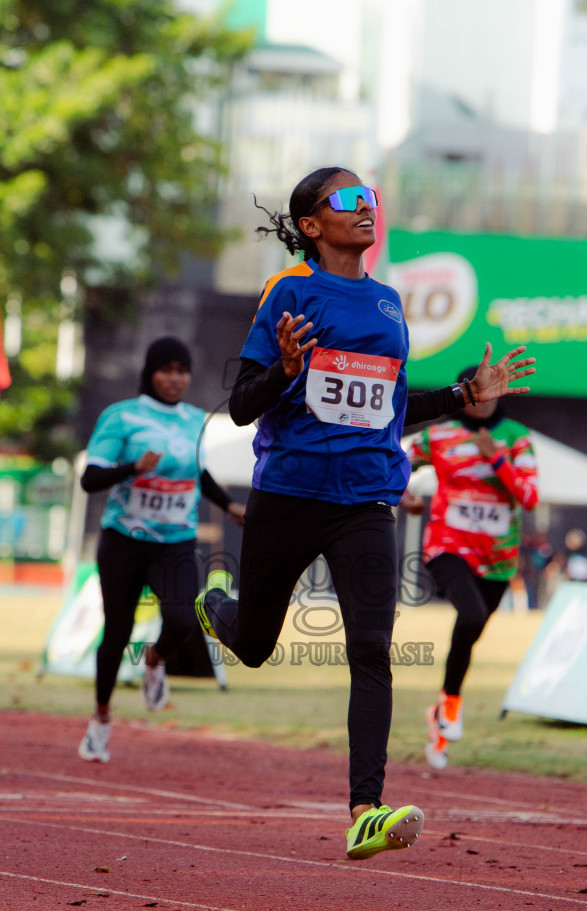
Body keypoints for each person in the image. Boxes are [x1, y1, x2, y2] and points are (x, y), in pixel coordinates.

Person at [194, 166, 534, 860]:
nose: (366, 207)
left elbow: (392, 407)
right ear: (311, 225)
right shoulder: (288, 291)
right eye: (348, 199)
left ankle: (365, 811)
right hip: (289, 493)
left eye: (369, 197)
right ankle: (218, 607)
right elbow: (243, 406)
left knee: (372, 649)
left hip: (367, 500)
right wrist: (285, 370)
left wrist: (465, 394)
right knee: (254, 647)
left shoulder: (387, 303)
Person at [76, 336, 244, 764]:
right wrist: (133, 467)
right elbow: (90, 479)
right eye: (166, 370)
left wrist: (230, 507)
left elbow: (200, 475)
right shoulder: (122, 417)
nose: (175, 378)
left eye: (182, 370)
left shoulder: (195, 420)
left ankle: (154, 660)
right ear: (150, 373)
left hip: (175, 541)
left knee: (183, 620)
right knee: (116, 633)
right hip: (124, 541)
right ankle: (100, 718)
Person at [400, 365, 539, 771]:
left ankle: (442, 712)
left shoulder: (516, 438)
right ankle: (451, 703)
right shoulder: (439, 435)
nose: (484, 397)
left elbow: (529, 497)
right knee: (472, 615)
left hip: (497, 560)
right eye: (477, 389)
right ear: (466, 392)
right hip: (447, 548)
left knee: (469, 635)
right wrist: (403, 494)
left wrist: (496, 458)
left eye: (492, 389)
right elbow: (393, 461)